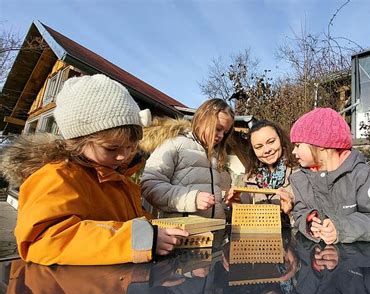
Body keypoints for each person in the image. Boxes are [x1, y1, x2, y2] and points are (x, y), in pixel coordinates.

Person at [0, 74, 188, 265]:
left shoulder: (117, 178)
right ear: (78, 142)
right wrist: (143, 239)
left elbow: (128, 220)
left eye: (131, 147)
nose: (124, 156)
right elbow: (44, 239)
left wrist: (158, 229)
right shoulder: (57, 177)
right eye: (112, 148)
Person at [289, 108, 370, 244]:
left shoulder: (362, 175)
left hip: (360, 260)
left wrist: (340, 228)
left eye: (297, 145)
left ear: (320, 144)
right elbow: (300, 211)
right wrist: (308, 221)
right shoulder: (300, 179)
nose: (293, 151)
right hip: (316, 258)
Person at [141, 98, 234, 219]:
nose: (221, 136)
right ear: (202, 119)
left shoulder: (215, 155)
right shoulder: (174, 143)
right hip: (182, 234)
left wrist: (224, 201)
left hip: (213, 234)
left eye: (225, 132)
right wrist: (192, 199)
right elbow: (150, 185)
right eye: (217, 128)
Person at [226, 119, 298, 226]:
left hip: (292, 240)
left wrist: (291, 212)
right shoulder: (248, 179)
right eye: (259, 147)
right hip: (259, 239)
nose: (266, 150)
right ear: (253, 150)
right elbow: (245, 222)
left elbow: (309, 219)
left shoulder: (299, 173)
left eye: (271, 142)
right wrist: (236, 206)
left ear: (281, 140)